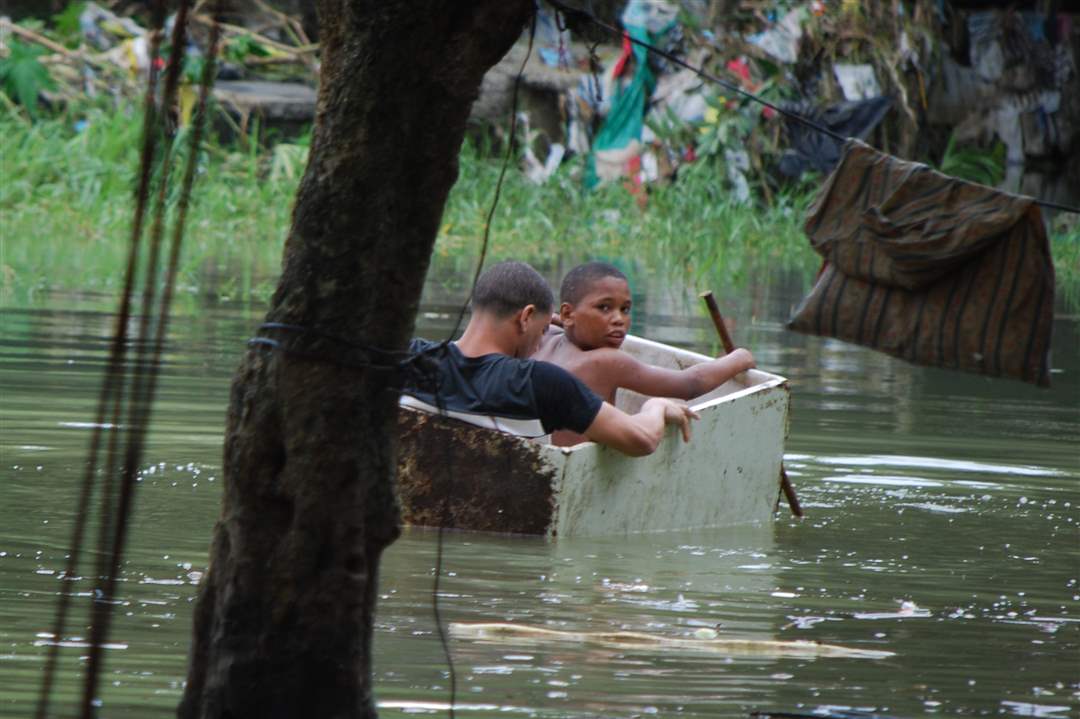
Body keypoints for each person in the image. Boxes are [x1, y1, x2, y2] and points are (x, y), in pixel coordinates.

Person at [402, 261, 698, 457]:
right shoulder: (542, 384)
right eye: (543, 330)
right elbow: (642, 440)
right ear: (526, 317)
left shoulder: (410, 357)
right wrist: (655, 406)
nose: (538, 345)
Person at [534, 261, 756, 446]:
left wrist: (561, 319)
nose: (618, 319)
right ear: (567, 313)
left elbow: (547, 320)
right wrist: (740, 357)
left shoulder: (542, 338)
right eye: (604, 308)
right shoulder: (605, 362)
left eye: (625, 309)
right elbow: (690, 383)